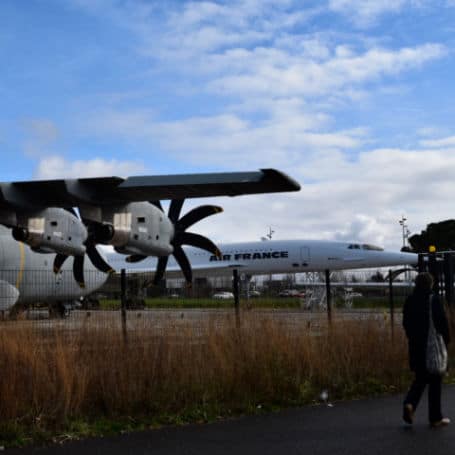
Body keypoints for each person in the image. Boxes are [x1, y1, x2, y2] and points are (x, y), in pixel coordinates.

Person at [402, 272, 451, 427]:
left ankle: (409, 404)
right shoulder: (434, 300)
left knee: (420, 378)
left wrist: (412, 337)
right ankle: (435, 417)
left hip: (416, 346)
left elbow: (405, 323)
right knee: (435, 380)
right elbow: (442, 322)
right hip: (432, 347)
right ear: (431, 284)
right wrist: (446, 340)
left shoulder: (409, 300)